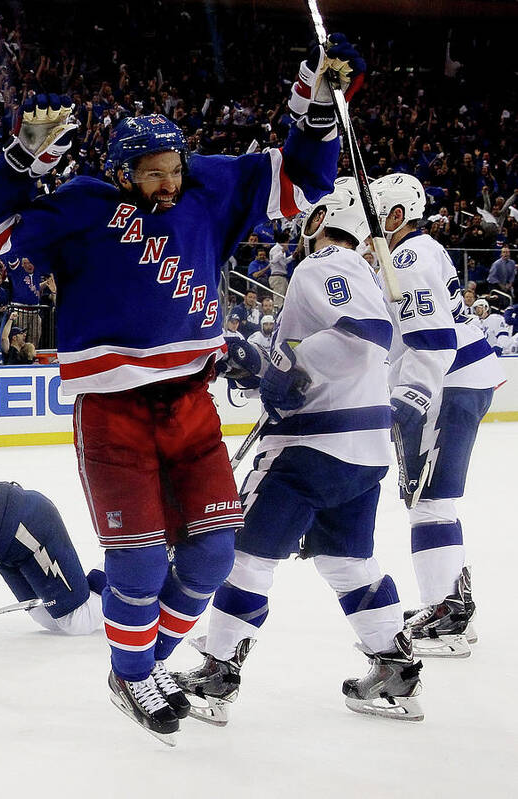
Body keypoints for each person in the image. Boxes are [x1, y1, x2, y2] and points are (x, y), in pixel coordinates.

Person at [0, 36, 364, 745]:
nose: (168, 185)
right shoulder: (85, 204)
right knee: (143, 559)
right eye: (152, 175)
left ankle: (139, 668)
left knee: (213, 553)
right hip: (114, 413)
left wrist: (320, 114)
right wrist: (22, 162)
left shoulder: (207, 185)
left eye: (173, 170)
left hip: (190, 404)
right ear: (121, 172)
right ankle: (133, 668)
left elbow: (302, 183)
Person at [174, 179, 423, 724]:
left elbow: (366, 336)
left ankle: (217, 674)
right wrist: (268, 360)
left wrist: (287, 366)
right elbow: (350, 341)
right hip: (363, 450)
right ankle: (393, 670)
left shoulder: (323, 263)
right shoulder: (361, 271)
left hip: (311, 447)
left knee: (245, 554)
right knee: (348, 560)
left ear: (322, 220)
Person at [370, 174, 504, 657]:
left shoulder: (407, 256)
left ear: (397, 216)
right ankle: (452, 605)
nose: (367, 229)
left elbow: (432, 340)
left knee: (428, 501)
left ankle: (446, 614)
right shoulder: (418, 251)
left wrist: (412, 399)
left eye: (375, 215)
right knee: (431, 500)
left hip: (446, 384)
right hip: (459, 381)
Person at [0, 477, 104, 638]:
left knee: (79, 620)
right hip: (4, 545)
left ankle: (124, 565)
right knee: (47, 617)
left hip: (28, 522)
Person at [268, 231, 294, 310]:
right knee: (278, 300)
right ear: (285, 241)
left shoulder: (281, 250)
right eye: (288, 242)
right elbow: (273, 261)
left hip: (282, 277)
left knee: (284, 299)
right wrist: (282, 251)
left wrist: (293, 257)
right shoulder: (275, 249)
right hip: (277, 277)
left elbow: (283, 262)